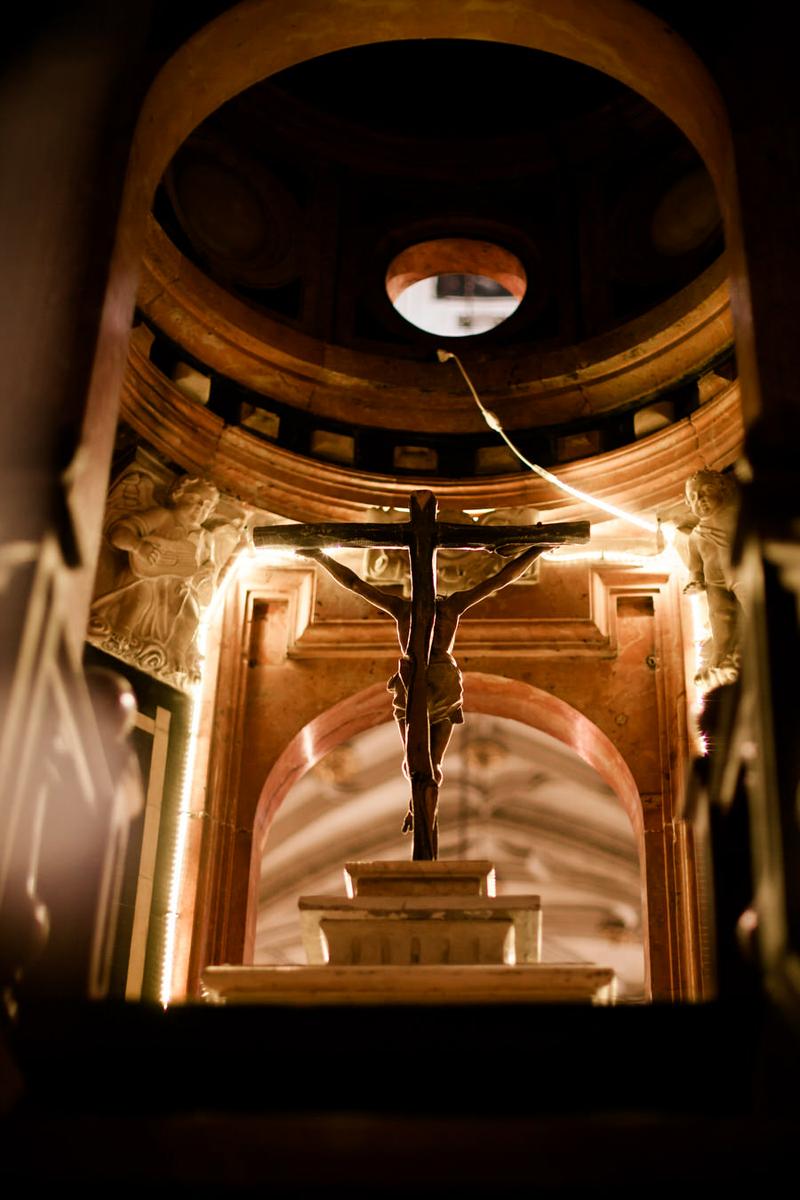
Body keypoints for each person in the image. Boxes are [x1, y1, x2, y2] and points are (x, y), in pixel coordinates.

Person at [299, 542, 545, 794]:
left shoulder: (404, 608)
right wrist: (536, 551)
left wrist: (321, 557)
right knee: (427, 764)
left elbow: (355, 584)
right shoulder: (449, 607)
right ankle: (421, 802)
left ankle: (420, 803)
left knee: (416, 764)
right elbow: (500, 579)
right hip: (439, 678)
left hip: (416, 678)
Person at [89, 476, 220, 684]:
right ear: (177, 495)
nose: (200, 508)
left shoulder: (206, 538)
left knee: (191, 616)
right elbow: (119, 533)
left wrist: (206, 575)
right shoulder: (162, 516)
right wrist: (138, 546)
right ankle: (121, 633)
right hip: (143, 577)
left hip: (178, 588)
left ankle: (176, 653)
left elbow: (206, 568)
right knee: (142, 597)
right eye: (195, 499)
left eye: (207, 506)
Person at [682, 469, 742, 687]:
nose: (701, 499)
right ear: (688, 503)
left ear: (722, 490)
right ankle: (721, 660)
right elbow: (695, 565)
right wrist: (695, 580)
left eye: (706, 491)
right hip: (715, 583)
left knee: (757, 611)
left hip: (741, 574)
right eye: (693, 497)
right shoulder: (695, 535)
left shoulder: (735, 516)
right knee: (719, 619)